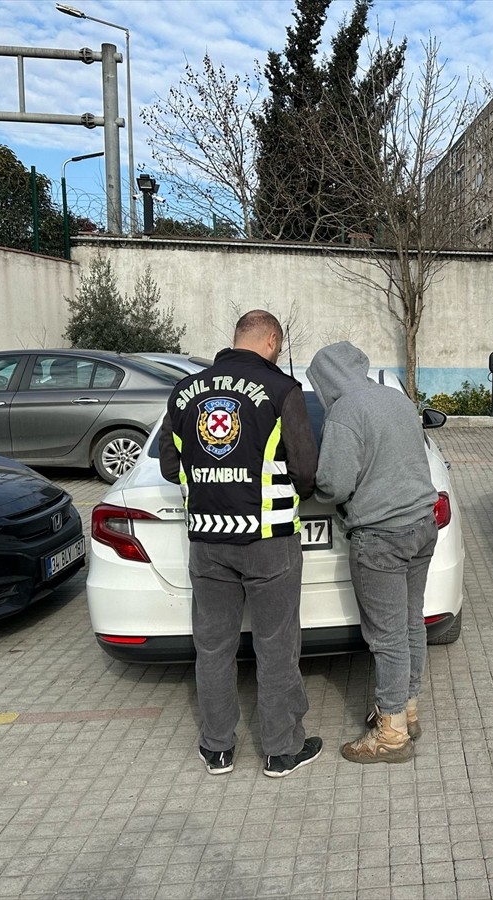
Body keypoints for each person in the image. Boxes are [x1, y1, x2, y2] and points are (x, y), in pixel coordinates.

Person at [159, 310, 322, 778]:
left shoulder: (184, 392)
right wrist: (292, 490)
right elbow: (306, 469)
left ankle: (218, 748)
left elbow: (173, 466)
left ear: (236, 339)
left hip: (207, 538)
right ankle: (280, 750)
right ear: (271, 340)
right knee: (276, 646)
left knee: (213, 646)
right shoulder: (280, 390)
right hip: (268, 539)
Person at [306, 341, 438, 764]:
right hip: (422, 525)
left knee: (386, 638)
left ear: (324, 379)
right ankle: (408, 709)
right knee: (410, 622)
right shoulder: (396, 399)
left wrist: (314, 482)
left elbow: (334, 485)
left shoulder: (345, 412)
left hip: (381, 537)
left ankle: (392, 734)